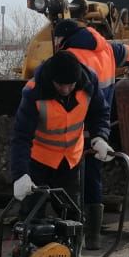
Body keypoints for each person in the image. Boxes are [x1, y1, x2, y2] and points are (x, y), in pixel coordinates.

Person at [52, 18, 129, 249]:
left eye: (57, 39)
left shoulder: (70, 57)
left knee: (70, 179)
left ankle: (71, 233)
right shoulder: (108, 48)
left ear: (63, 38)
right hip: (100, 126)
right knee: (93, 176)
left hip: (76, 127)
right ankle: (92, 237)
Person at [9, 50, 110, 228]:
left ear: (77, 80)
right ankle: (31, 251)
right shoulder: (34, 92)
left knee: (72, 216)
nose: (65, 90)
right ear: (51, 79)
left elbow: (99, 113)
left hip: (70, 160)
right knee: (32, 215)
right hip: (39, 161)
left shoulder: (88, 83)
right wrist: (20, 174)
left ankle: (73, 253)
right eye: (60, 85)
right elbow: (20, 137)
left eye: (70, 85)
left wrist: (100, 137)